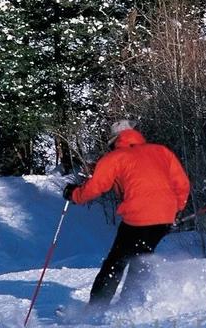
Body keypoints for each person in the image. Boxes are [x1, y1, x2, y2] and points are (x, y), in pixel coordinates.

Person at [63, 120, 190, 308]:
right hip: (165, 215)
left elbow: (96, 187)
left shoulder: (115, 157)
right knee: (141, 258)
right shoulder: (161, 151)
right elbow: (182, 184)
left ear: (114, 140)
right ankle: (131, 304)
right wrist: (175, 210)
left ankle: (96, 309)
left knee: (116, 261)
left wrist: (74, 194)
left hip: (138, 217)